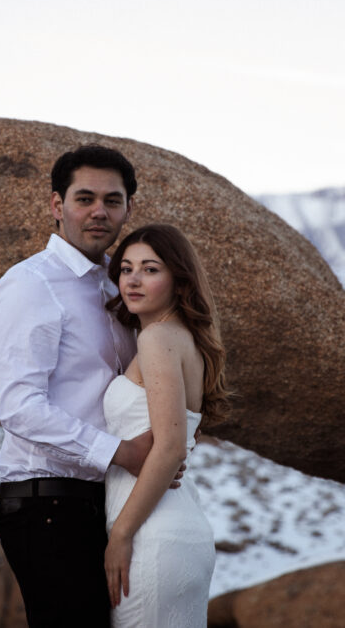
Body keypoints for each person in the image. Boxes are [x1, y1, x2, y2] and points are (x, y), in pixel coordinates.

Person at [0, 144, 164, 627]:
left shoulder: (119, 287)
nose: (98, 212)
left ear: (129, 207)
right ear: (56, 205)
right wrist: (119, 453)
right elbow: (20, 408)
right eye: (84, 198)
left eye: (112, 200)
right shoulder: (31, 284)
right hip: (45, 503)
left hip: (103, 502)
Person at [102, 223, 231, 627]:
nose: (134, 279)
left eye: (151, 269)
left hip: (149, 536)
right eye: (126, 269)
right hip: (173, 523)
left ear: (179, 280)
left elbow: (172, 446)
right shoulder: (182, 337)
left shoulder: (156, 340)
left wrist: (121, 535)